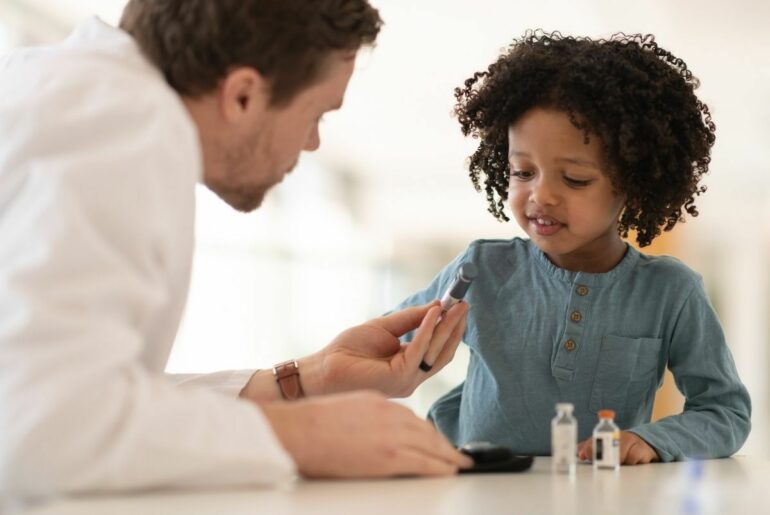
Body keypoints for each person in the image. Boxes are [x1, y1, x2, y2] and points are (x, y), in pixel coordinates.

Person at [0, 0, 474, 498]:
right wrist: (308, 436)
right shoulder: (130, 127)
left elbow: (76, 396)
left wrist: (307, 380)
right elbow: (44, 427)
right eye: (316, 114)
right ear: (244, 95)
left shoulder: (54, 85)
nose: (312, 142)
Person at [393, 31, 751, 465]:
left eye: (576, 179)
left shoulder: (671, 292)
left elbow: (724, 411)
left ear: (635, 187)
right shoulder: (482, 268)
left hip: (598, 497)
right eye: (523, 172)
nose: (540, 196)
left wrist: (654, 440)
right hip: (479, 489)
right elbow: (386, 345)